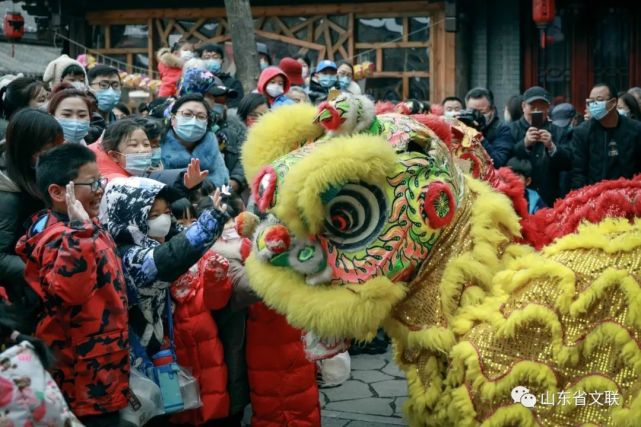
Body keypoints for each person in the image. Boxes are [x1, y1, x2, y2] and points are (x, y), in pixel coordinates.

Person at [16, 143, 129, 426]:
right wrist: (80, 233)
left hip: (105, 364)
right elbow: (71, 292)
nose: (100, 189)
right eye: (92, 183)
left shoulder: (84, 225)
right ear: (57, 192)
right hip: (83, 376)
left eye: (100, 180)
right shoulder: (61, 237)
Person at [0, 109, 63, 329]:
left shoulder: (40, 178)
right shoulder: (7, 195)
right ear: (27, 149)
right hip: (23, 300)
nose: (55, 155)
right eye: (48, 149)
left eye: (58, 146)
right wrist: (44, 270)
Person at [570, 83, 641, 189]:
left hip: (628, 195)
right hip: (594, 196)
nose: (594, 105)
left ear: (613, 103)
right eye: (591, 101)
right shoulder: (582, 132)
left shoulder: (635, 129)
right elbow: (578, 172)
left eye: (599, 100)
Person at [510, 86, 571, 205]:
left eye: (541, 107)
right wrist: (525, 144)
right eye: (532, 107)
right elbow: (505, 160)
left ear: (548, 108)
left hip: (550, 198)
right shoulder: (511, 129)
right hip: (519, 198)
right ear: (523, 107)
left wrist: (552, 146)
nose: (536, 111)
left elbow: (568, 162)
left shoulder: (559, 131)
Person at [161, 93, 230, 187]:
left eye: (201, 117)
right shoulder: (157, 149)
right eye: (187, 114)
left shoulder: (214, 151)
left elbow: (225, 187)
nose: (193, 121)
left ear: (207, 123)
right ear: (173, 119)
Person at [465, 87, 515, 167]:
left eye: (481, 112)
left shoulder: (502, 129)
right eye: (472, 112)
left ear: (492, 110)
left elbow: (498, 161)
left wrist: (480, 139)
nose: (477, 116)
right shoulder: (462, 126)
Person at [196, 43, 244, 109]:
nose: (211, 60)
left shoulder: (233, 83)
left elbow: (235, 107)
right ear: (199, 60)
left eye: (215, 57)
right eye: (207, 58)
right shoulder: (194, 81)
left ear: (222, 61)